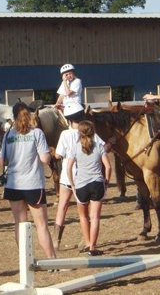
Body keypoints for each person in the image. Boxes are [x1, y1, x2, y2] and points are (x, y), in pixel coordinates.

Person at [52, 101, 111, 250]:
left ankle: (56, 240)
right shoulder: (90, 132)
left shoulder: (65, 134)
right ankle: (90, 242)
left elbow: (58, 155)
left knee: (62, 207)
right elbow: (103, 147)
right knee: (92, 213)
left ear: (68, 119)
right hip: (90, 177)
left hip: (68, 177)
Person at [0, 102, 56, 258]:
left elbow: (2, 162)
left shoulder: (8, 136)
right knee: (41, 225)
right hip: (33, 184)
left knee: (19, 223)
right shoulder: (37, 133)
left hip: (13, 184)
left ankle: (25, 260)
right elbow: (45, 159)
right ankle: (52, 259)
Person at [67, 120, 112, 256]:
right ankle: (93, 246)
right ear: (93, 132)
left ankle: (87, 242)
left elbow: (68, 168)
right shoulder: (99, 147)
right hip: (97, 183)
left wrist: (72, 184)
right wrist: (107, 181)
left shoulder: (75, 148)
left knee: (83, 216)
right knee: (95, 217)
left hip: (81, 185)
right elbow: (108, 167)